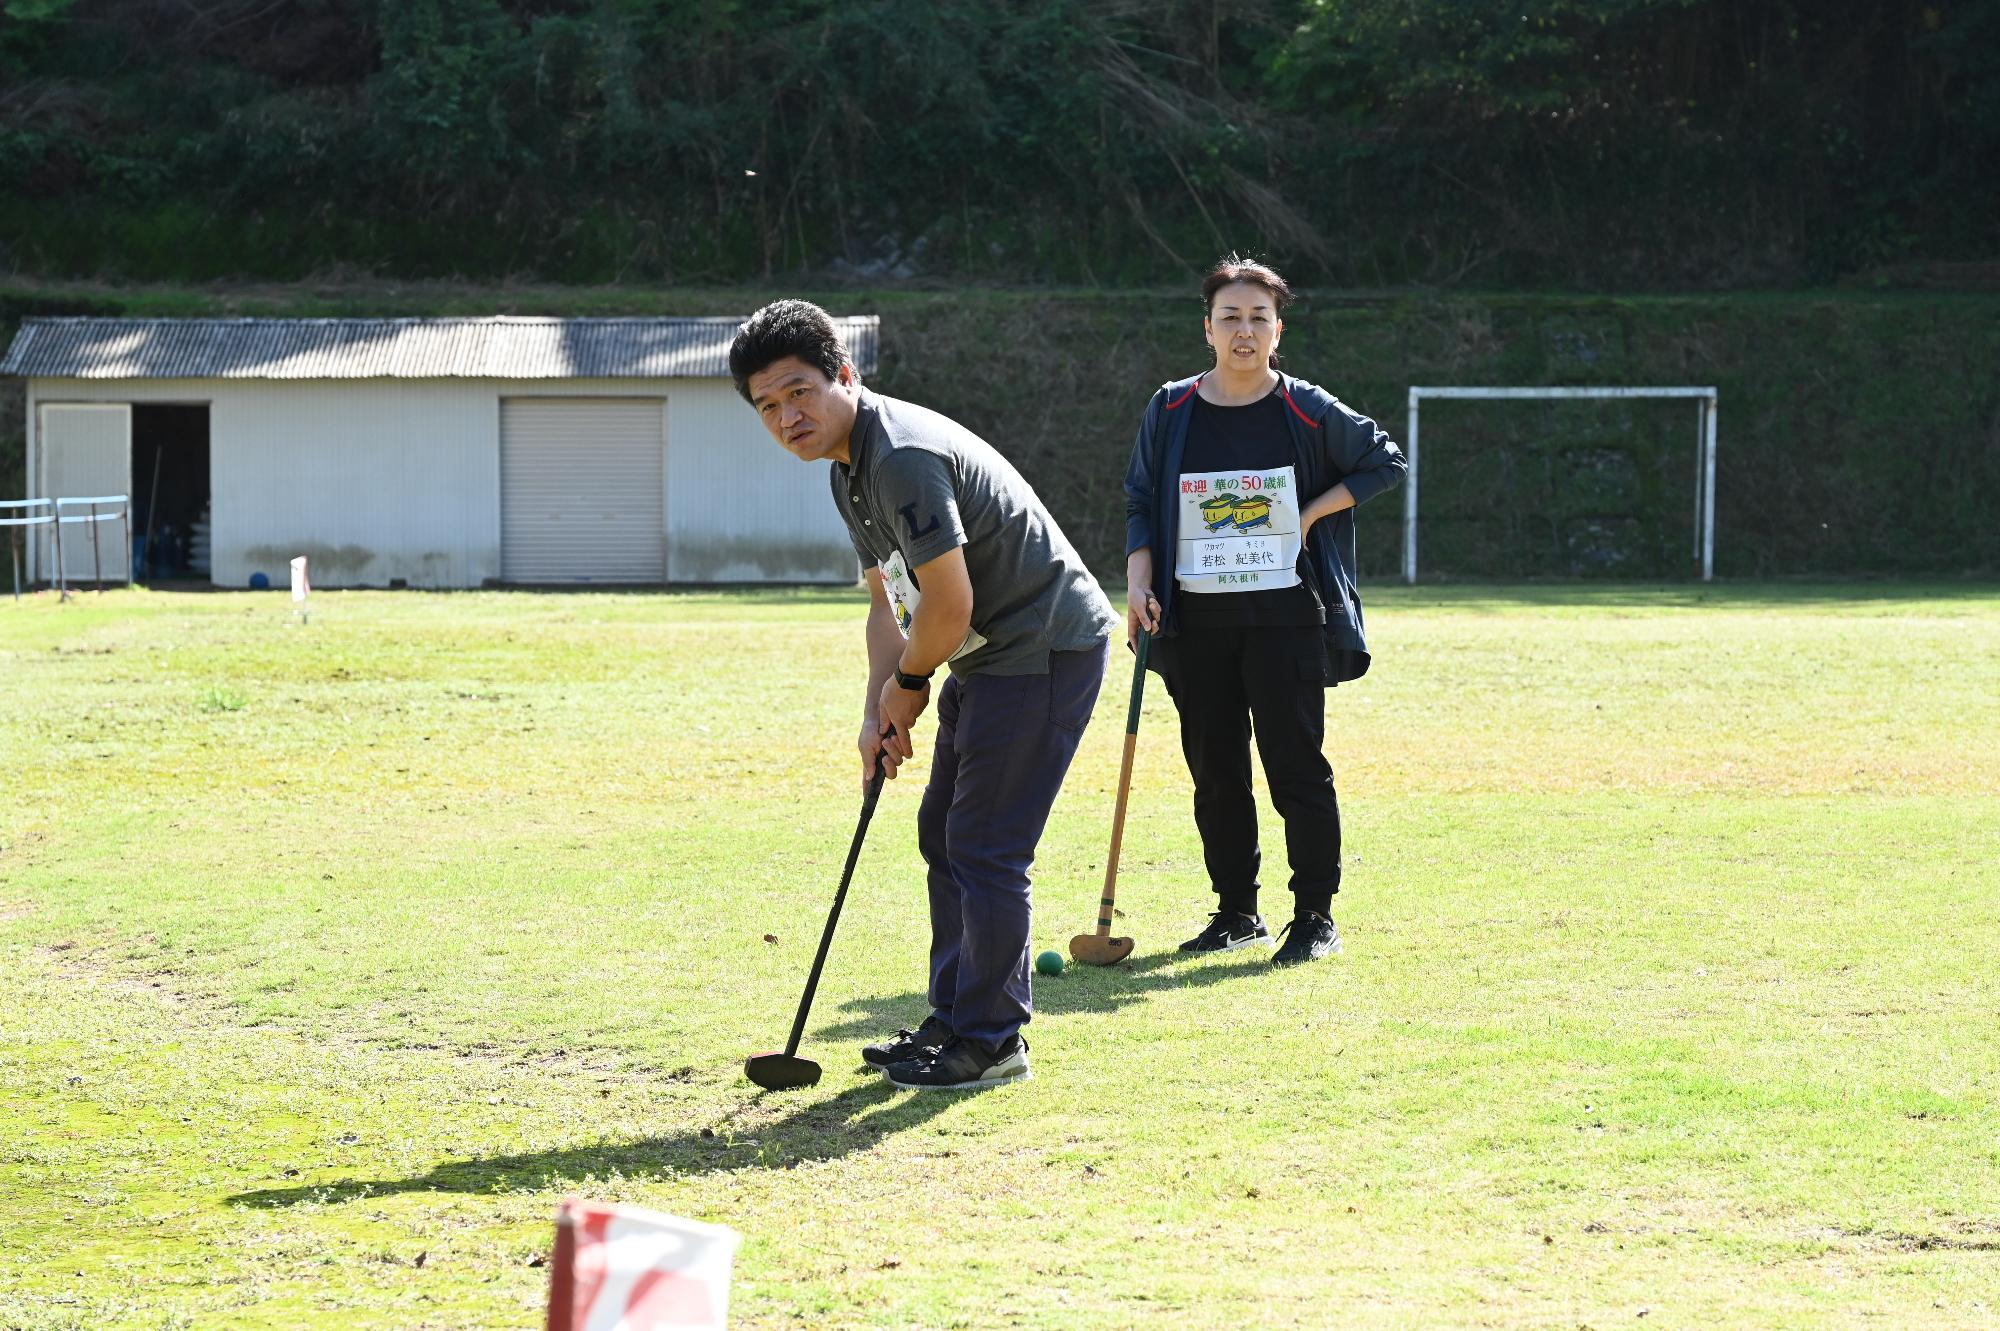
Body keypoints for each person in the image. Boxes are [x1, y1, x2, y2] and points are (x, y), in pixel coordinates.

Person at [730, 300, 1118, 1090]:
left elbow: (949, 605)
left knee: (986, 844)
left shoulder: (900, 456)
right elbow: (891, 604)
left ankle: (993, 1037)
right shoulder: (847, 469)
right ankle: (954, 1018)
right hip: (988, 654)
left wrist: (910, 685)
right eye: (767, 405)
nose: (786, 417)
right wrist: (878, 707)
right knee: (944, 833)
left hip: (1043, 644)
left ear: (846, 374)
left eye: (799, 392)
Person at [1123, 256, 1406, 967]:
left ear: (1278, 330)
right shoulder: (1171, 407)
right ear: (1208, 329)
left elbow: (1385, 461)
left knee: (1294, 765)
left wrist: (1310, 512)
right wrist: (1137, 579)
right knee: (1215, 772)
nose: (1243, 331)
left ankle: (1313, 915)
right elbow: (1139, 501)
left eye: (1258, 318)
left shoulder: (1305, 405)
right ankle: (1236, 912)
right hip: (1194, 622)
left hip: (1286, 619)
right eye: (1230, 317)